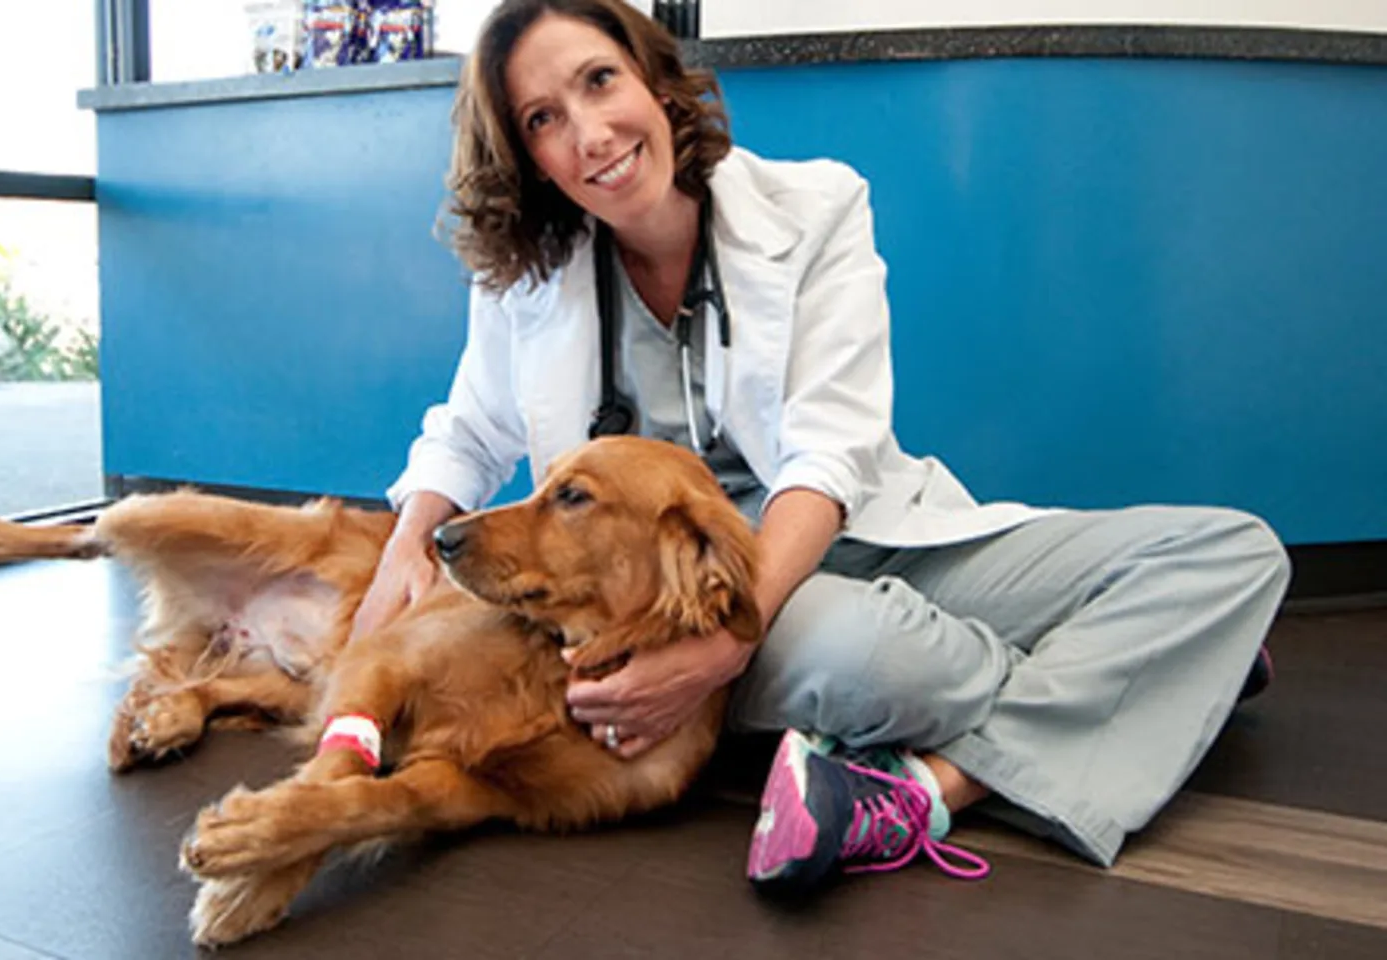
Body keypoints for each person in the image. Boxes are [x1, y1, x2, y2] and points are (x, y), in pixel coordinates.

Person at [351, 0, 1289, 894]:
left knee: (1231, 555)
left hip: (853, 531)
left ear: (655, 80)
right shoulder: (535, 277)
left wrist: (723, 651)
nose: (590, 133)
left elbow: (828, 456)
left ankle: (931, 785)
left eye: (601, 81)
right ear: (530, 156)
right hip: (681, 594)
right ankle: (1114, 693)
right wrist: (408, 541)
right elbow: (468, 429)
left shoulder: (818, 206)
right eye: (546, 118)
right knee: (868, 659)